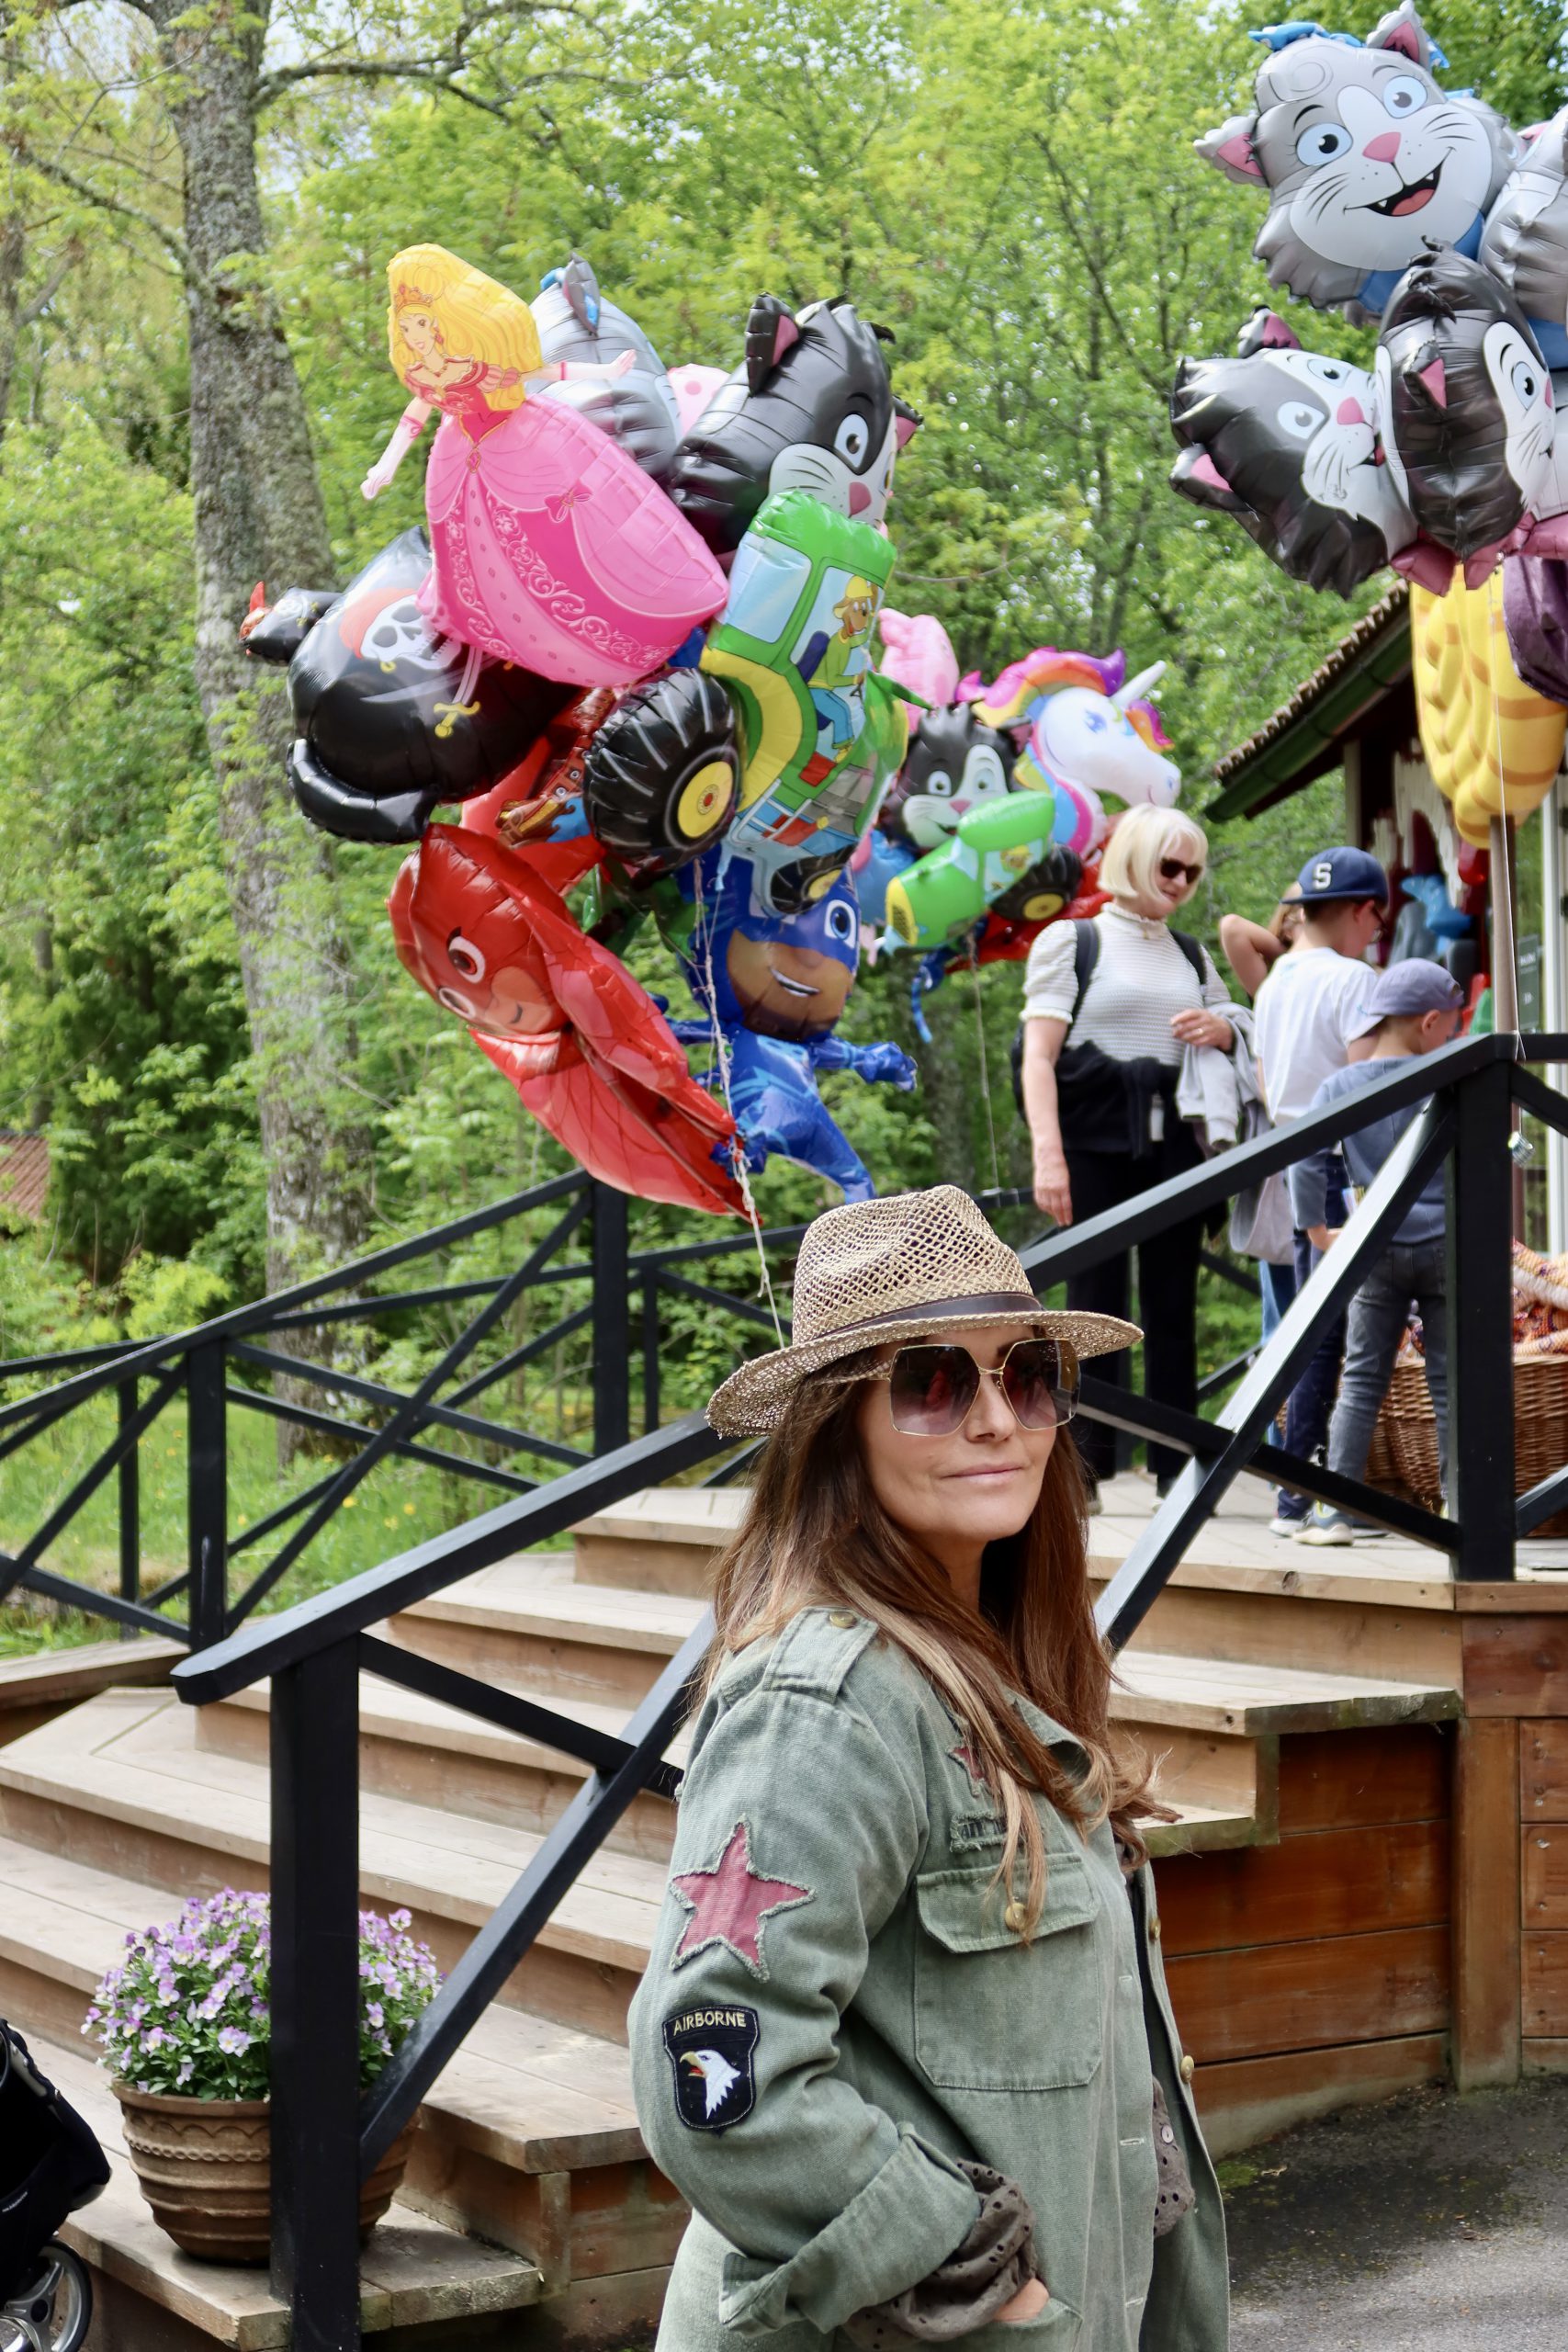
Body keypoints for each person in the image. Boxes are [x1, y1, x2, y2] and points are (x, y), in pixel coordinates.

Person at [630, 1185, 1229, 2351]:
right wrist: (974, 2271)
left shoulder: (997, 1666)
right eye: (933, 1382)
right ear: (838, 1424)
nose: (997, 1419)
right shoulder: (824, 1704)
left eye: (1028, 1374)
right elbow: (714, 2075)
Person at [361, 243, 725, 687]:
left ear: (441, 327)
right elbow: (412, 420)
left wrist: (607, 372)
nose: (415, 334)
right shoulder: (429, 377)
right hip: (460, 453)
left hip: (520, 443)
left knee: (583, 529)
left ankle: (652, 619)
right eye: (407, 327)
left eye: (421, 323)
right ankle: (501, 621)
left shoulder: (479, 369)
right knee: (471, 543)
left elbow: (547, 373)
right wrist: (385, 465)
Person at [1019, 803, 1235, 1498]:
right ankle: (1083, 1469)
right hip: (1092, 1143)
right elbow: (1037, 1058)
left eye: (1192, 871)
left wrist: (1223, 1031)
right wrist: (1047, 1155)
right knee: (1092, 1306)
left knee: (1174, 1307)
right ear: (1134, 858)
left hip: (1176, 1146)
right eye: (1169, 865)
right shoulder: (1072, 940)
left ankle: (1177, 1466)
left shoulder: (1192, 954)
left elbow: (1237, 1032)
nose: (1181, 881)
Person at [1288, 960, 1462, 1545]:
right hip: (1447, 1246)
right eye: (1451, 1023)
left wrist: (1316, 1229)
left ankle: (1336, 1510)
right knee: (1450, 1382)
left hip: (1376, 1244)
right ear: (1430, 1022)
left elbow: (1306, 1158)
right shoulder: (1451, 1077)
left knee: (1362, 1378)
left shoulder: (1341, 1085)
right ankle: (1460, 1508)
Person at [1252, 846, 1388, 1536]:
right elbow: (1366, 1087)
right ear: (1361, 910)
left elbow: (1264, 1080)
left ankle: (1296, 1495)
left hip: (1287, 1160)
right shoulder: (1355, 979)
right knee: (1337, 1336)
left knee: (1306, 1329)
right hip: (1338, 1166)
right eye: (1376, 921)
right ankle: (1312, 1498)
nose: (1375, 935)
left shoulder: (1275, 979)